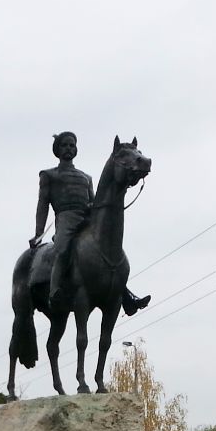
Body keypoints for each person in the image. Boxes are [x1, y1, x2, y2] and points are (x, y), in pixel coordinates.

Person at [30, 131, 151, 315]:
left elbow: (94, 200)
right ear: (57, 149)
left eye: (72, 145)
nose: (68, 148)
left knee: (109, 253)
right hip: (65, 218)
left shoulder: (86, 177)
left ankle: (126, 296)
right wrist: (39, 232)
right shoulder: (49, 175)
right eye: (65, 145)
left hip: (86, 217)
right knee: (62, 249)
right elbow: (42, 205)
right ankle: (54, 292)